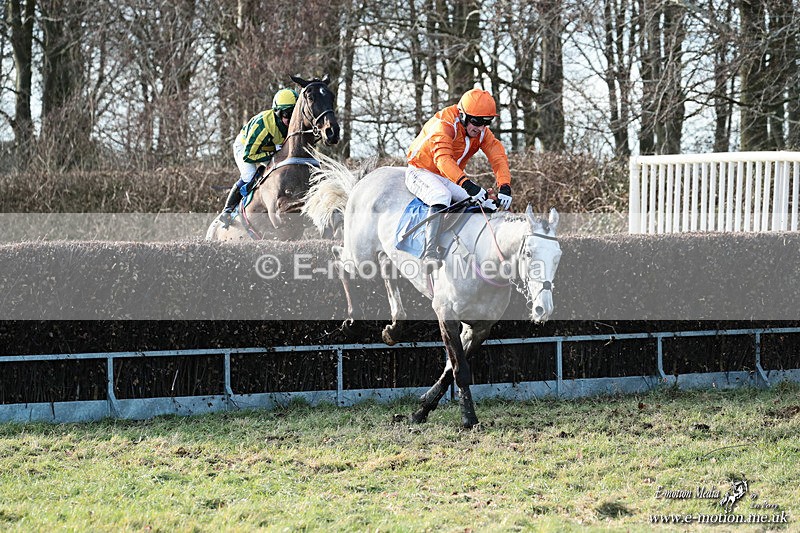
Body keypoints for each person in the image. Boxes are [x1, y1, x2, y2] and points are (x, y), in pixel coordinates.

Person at [406, 88, 513, 272]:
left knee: (483, 202)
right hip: (420, 170)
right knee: (441, 196)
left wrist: (504, 185)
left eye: (486, 123)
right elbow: (442, 159)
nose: (480, 128)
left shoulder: (481, 132)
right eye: (476, 122)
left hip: (445, 175)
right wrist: (467, 184)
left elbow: (497, 156)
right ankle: (429, 253)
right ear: (463, 115)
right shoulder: (444, 124)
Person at [218, 88, 299, 226]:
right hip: (245, 149)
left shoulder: (289, 124)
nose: (291, 119)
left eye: (294, 114)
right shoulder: (263, 125)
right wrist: (272, 151)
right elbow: (249, 156)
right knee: (249, 175)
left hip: (267, 149)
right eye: (288, 114)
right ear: (278, 112)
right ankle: (227, 210)